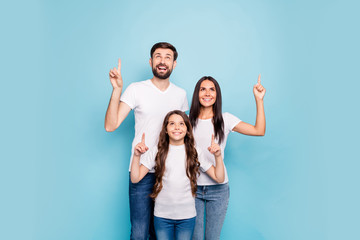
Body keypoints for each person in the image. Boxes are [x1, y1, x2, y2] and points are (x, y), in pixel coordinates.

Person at [105, 42, 189, 240]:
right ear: (151, 62)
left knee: (162, 233)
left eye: (168, 57)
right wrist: (117, 90)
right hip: (141, 171)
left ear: (174, 64)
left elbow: (183, 133)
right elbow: (111, 125)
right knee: (140, 233)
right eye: (158, 56)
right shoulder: (136, 89)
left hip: (171, 173)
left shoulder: (181, 94)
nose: (162, 61)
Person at [189, 75, 266, 240]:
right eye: (203, 89)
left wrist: (259, 100)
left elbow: (259, 130)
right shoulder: (187, 121)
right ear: (197, 94)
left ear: (217, 95)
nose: (207, 93)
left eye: (212, 89)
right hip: (192, 189)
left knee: (212, 238)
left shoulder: (225, 119)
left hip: (218, 189)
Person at [130, 110, 225, 240]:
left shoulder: (194, 151)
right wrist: (136, 156)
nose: (177, 127)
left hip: (187, 216)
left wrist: (218, 156)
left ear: (187, 129)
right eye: (172, 123)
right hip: (162, 216)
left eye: (181, 124)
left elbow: (219, 178)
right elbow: (135, 178)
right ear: (165, 129)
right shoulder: (157, 151)